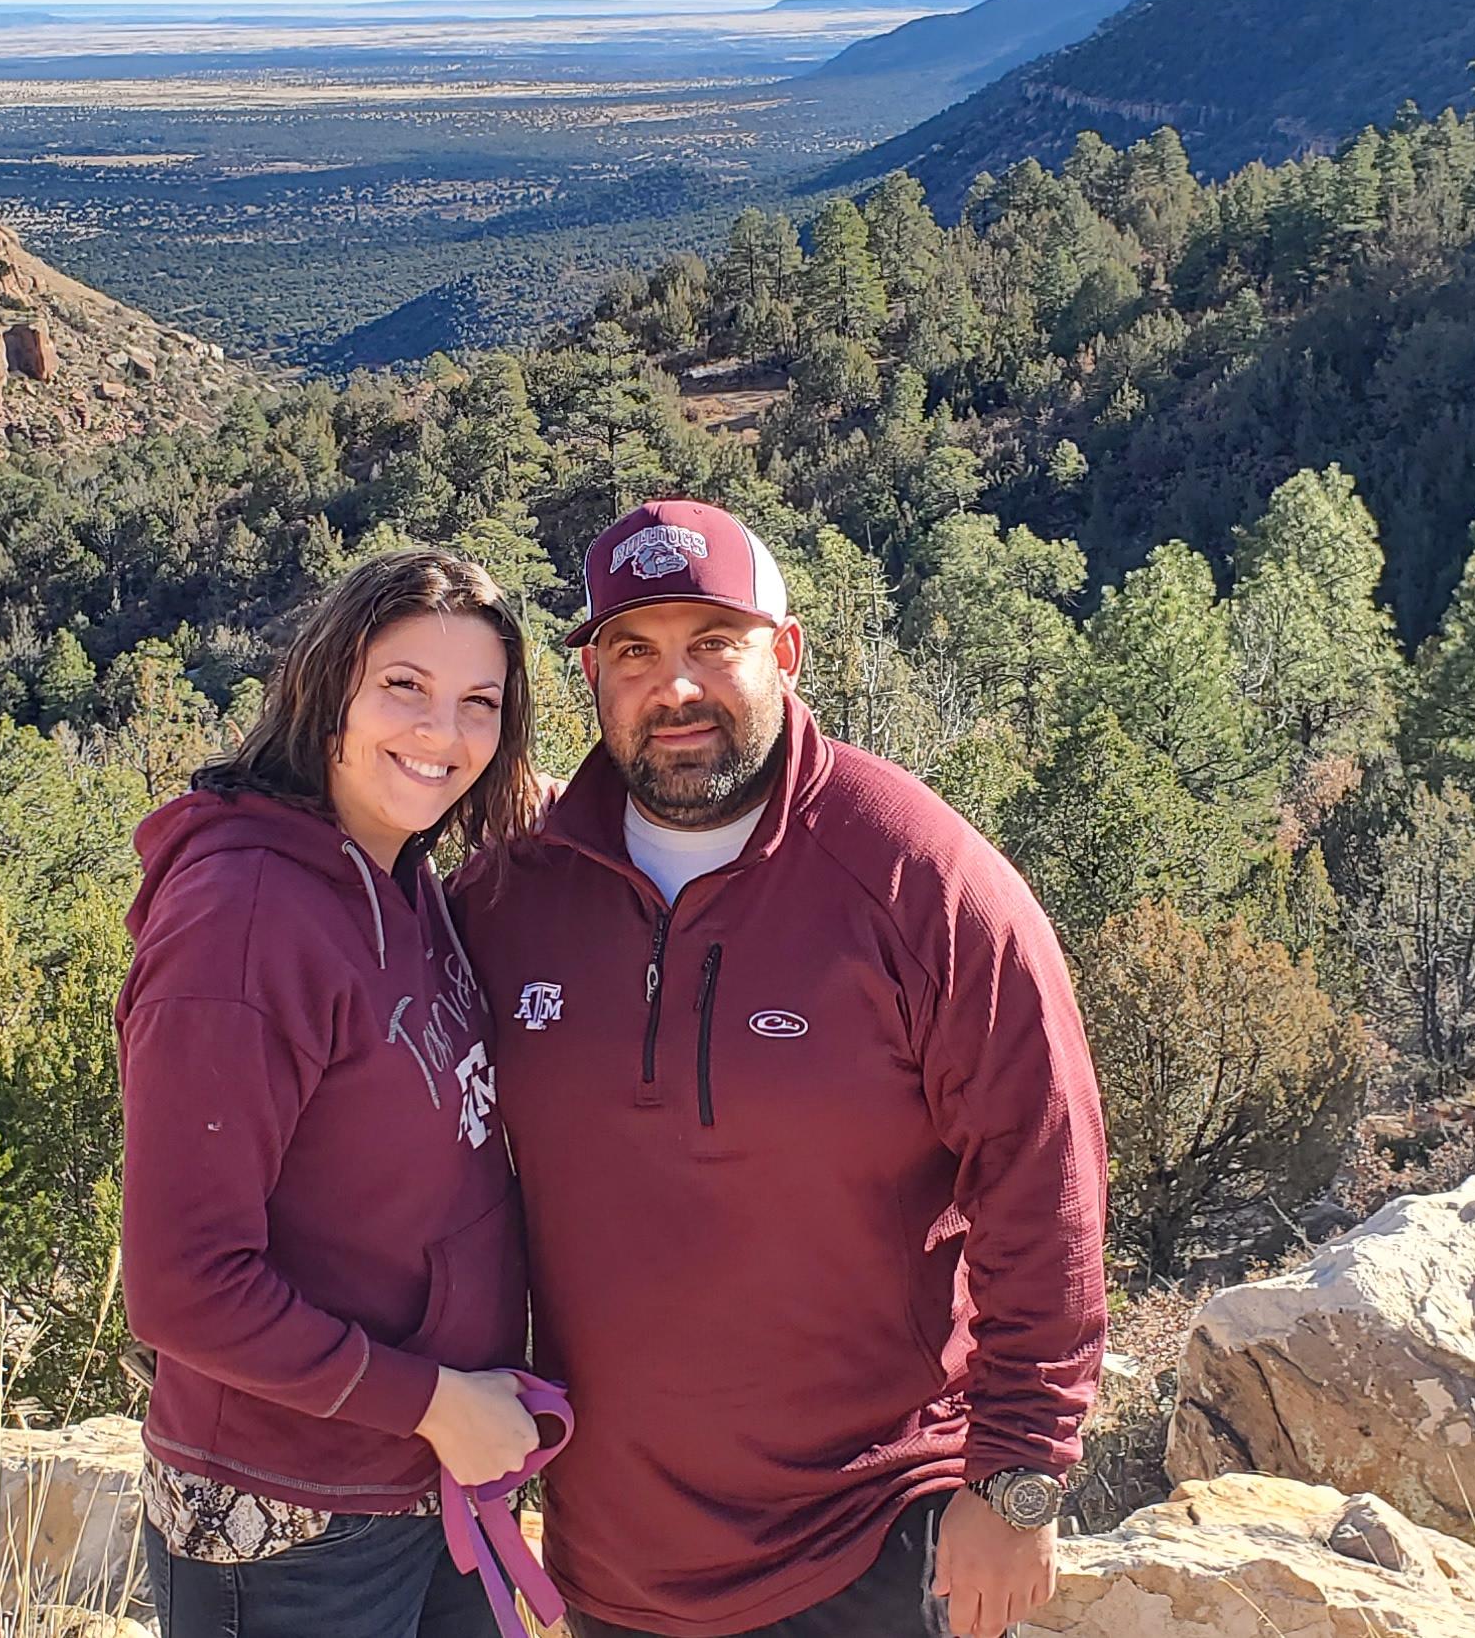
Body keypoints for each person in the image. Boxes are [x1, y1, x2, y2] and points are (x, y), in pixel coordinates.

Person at [457, 498, 1110, 1638]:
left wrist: (1019, 1475)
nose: (676, 687)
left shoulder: (916, 877)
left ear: (787, 652)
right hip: (616, 1556)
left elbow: (1044, 1177)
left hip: (874, 1535)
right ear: (593, 676)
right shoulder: (515, 894)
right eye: (634, 651)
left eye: (714, 643)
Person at [118, 546, 553, 1638]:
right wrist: (435, 1404)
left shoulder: (401, 872)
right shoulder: (243, 922)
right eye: (404, 686)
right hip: (289, 1525)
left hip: (426, 1481)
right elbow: (183, 1284)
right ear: (328, 691)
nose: (441, 732)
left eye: (480, 703)